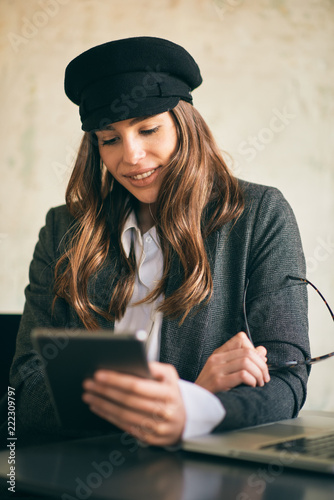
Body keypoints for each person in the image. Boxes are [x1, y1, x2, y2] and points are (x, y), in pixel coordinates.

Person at [2, 37, 310, 448]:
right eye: (109, 139)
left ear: (185, 125)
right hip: (78, 473)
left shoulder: (259, 215)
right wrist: (179, 400)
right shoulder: (64, 229)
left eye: (148, 129)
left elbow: (288, 379)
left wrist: (193, 411)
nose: (130, 157)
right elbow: (23, 387)